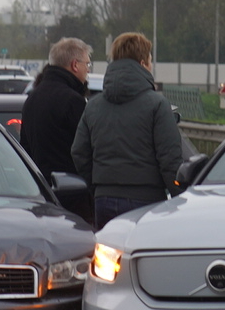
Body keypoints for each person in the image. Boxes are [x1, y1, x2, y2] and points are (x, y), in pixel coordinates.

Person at [71, 32, 184, 228]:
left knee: (107, 255)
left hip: (103, 200)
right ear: (142, 64)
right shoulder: (157, 105)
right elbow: (170, 159)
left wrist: (98, 186)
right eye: (149, 62)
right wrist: (180, 198)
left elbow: (79, 152)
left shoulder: (94, 105)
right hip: (147, 201)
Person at [21, 38, 93, 213]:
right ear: (75, 65)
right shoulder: (73, 101)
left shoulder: (32, 98)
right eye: (87, 65)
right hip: (72, 196)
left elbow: (25, 148)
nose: (88, 71)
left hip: (39, 193)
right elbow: (86, 150)